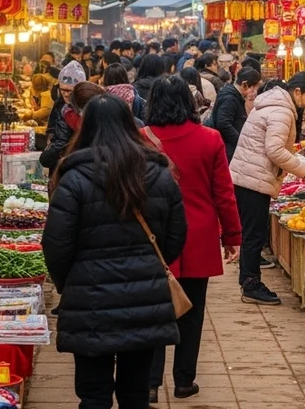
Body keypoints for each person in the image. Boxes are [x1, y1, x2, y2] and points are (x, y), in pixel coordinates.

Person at [43, 93, 187, 409]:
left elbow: (56, 244)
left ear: (86, 127)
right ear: (129, 124)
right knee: (136, 394)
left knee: (93, 395)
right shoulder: (159, 174)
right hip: (144, 297)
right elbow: (176, 236)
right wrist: (148, 264)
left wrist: (70, 283)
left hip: (89, 298)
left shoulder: (74, 177)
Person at [141, 76, 241, 402]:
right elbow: (223, 193)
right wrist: (232, 235)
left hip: (152, 237)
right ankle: (184, 381)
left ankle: (150, 383)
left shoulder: (141, 139)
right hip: (197, 235)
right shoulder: (210, 139)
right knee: (193, 312)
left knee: (153, 309)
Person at [230, 72, 305, 305]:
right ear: (297, 92)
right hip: (253, 178)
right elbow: (274, 150)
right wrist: (302, 169)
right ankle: (251, 284)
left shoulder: (273, 103)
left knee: (252, 233)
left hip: (250, 175)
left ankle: (249, 281)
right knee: (254, 234)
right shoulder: (281, 110)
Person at [39, 61, 84, 170]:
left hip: (74, 162)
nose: (66, 94)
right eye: (63, 90)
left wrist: (46, 157)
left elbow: (62, 141)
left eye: (70, 91)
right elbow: (52, 128)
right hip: (60, 162)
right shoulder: (59, 103)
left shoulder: (83, 107)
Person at [212, 67, 262, 163]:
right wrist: (240, 142)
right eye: (254, 88)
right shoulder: (229, 98)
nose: (255, 92)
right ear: (244, 84)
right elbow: (223, 123)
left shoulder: (233, 95)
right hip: (226, 149)